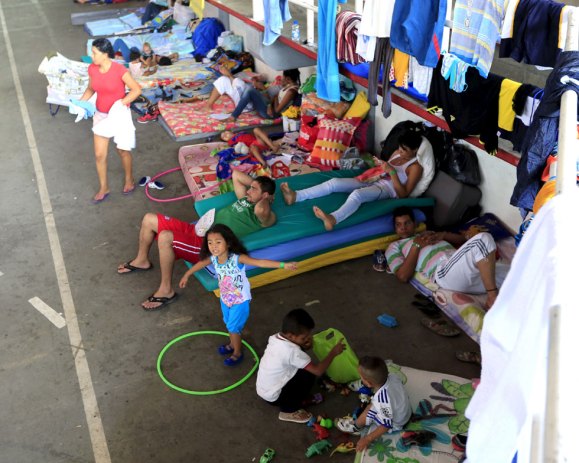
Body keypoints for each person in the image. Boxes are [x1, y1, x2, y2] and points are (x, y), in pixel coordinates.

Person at [117, 170, 277, 310]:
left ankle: (166, 290)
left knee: (166, 236)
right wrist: (258, 185)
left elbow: (261, 209)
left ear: (265, 196)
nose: (249, 191)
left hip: (206, 246)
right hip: (199, 230)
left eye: (253, 190)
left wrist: (267, 196)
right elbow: (236, 175)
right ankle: (142, 260)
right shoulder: (244, 199)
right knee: (149, 219)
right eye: (250, 188)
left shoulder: (263, 216)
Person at [179, 224, 298, 366]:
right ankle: (232, 343)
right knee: (229, 324)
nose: (213, 246)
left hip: (240, 301)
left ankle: (237, 352)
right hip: (225, 299)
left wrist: (283, 265)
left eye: (218, 242)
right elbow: (200, 264)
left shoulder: (237, 259)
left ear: (228, 243)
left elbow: (260, 262)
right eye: (210, 242)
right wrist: (187, 274)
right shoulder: (214, 258)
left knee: (233, 327)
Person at [280, 130, 432, 230]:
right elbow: (385, 168)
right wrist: (379, 165)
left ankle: (333, 219)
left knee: (358, 195)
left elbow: (403, 194)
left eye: (404, 150)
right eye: (400, 148)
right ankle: (296, 196)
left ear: (415, 151)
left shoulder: (415, 167)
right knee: (334, 183)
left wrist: (391, 172)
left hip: (387, 189)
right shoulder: (397, 154)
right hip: (374, 178)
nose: (399, 151)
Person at [384, 206, 510, 308]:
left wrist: (442, 235)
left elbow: (463, 240)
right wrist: (416, 246)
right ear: (395, 228)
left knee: (517, 272)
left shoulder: (427, 233)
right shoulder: (394, 246)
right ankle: (492, 297)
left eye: (407, 223)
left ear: (415, 224)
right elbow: (402, 276)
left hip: (466, 270)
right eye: (399, 225)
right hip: (443, 272)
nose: (403, 228)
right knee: (483, 239)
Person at [256, 308, 346, 423]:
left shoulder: (276, 338)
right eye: (303, 338)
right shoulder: (292, 352)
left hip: (264, 389)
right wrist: (333, 353)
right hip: (275, 396)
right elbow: (318, 371)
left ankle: (294, 400)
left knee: (305, 370)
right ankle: (289, 410)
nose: (307, 339)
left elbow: (294, 355)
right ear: (290, 336)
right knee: (309, 374)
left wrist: (304, 344)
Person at [79, 38, 142, 203]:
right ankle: (104, 187)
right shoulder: (92, 69)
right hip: (100, 115)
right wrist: (81, 103)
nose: (91, 56)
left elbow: (136, 90)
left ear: (105, 54)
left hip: (119, 115)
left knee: (123, 151)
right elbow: (91, 88)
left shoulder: (119, 70)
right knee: (100, 155)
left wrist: (121, 103)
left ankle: (129, 179)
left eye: (94, 53)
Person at [335, 356, 412, 452]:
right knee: (373, 404)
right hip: (405, 410)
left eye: (361, 377)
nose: (360, 378)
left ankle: (355, 426)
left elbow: (386, 425)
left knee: (368, 409)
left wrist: (367, 439)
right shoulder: (393, 376)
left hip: (397, 422)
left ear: (369, 383)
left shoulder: (381, 400)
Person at [224, 68, 301, 122]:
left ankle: (234, 116)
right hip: (271, 106)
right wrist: (270, 103)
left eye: (283, 76)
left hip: (271, 114)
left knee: (250, 90)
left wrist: (273, 101)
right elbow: (275, 97)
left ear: (288, 79)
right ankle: (239, 109)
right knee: (249, 87)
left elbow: (277, 111)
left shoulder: (291, 92)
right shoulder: (288, 86)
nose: (281, 78)